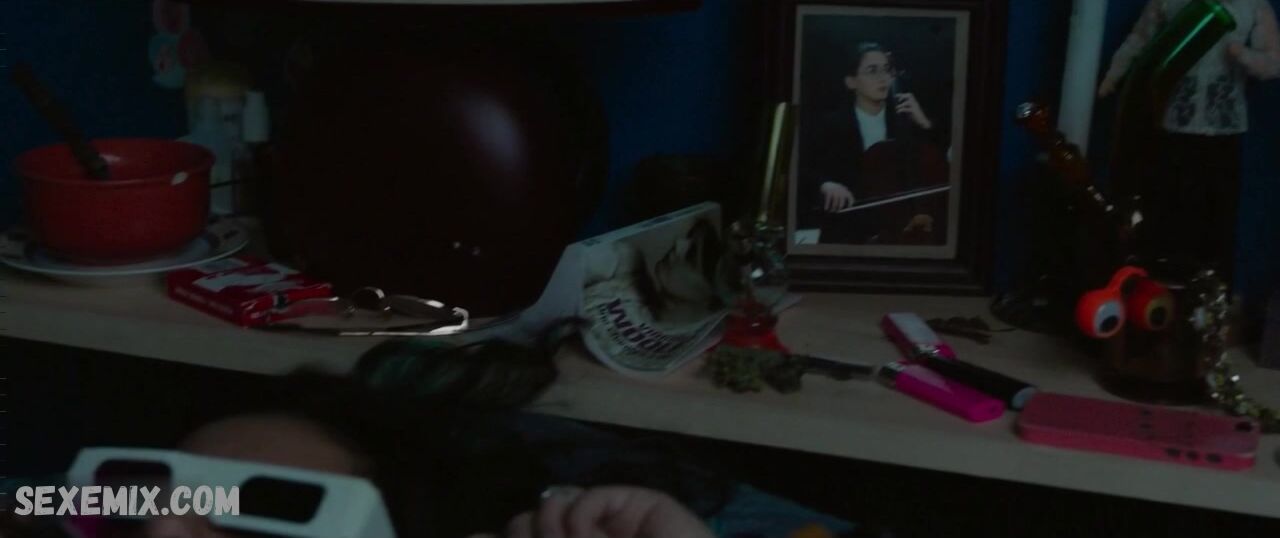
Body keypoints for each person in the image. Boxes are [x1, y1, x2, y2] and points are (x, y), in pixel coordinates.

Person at [1098, 0, 1280, 284]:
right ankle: (1161, 289)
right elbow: (1138, 42)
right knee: (1166, 213)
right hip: (1171, 126)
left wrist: (1245, 57)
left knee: (1216, 217)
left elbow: (1274, 61)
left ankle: (1212, 294)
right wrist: (1113, 76)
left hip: (1222, 132)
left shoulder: (1252, 5)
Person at [798, 41, 949, 245]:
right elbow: (802, 168)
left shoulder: (907, 121)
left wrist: (925, 124)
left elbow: (943, 164)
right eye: (872, 70)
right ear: (851, 82)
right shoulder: (829, 125)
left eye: (886, 70)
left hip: (901, 229)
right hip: (847, 230)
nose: (883, 78)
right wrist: (825, 184)